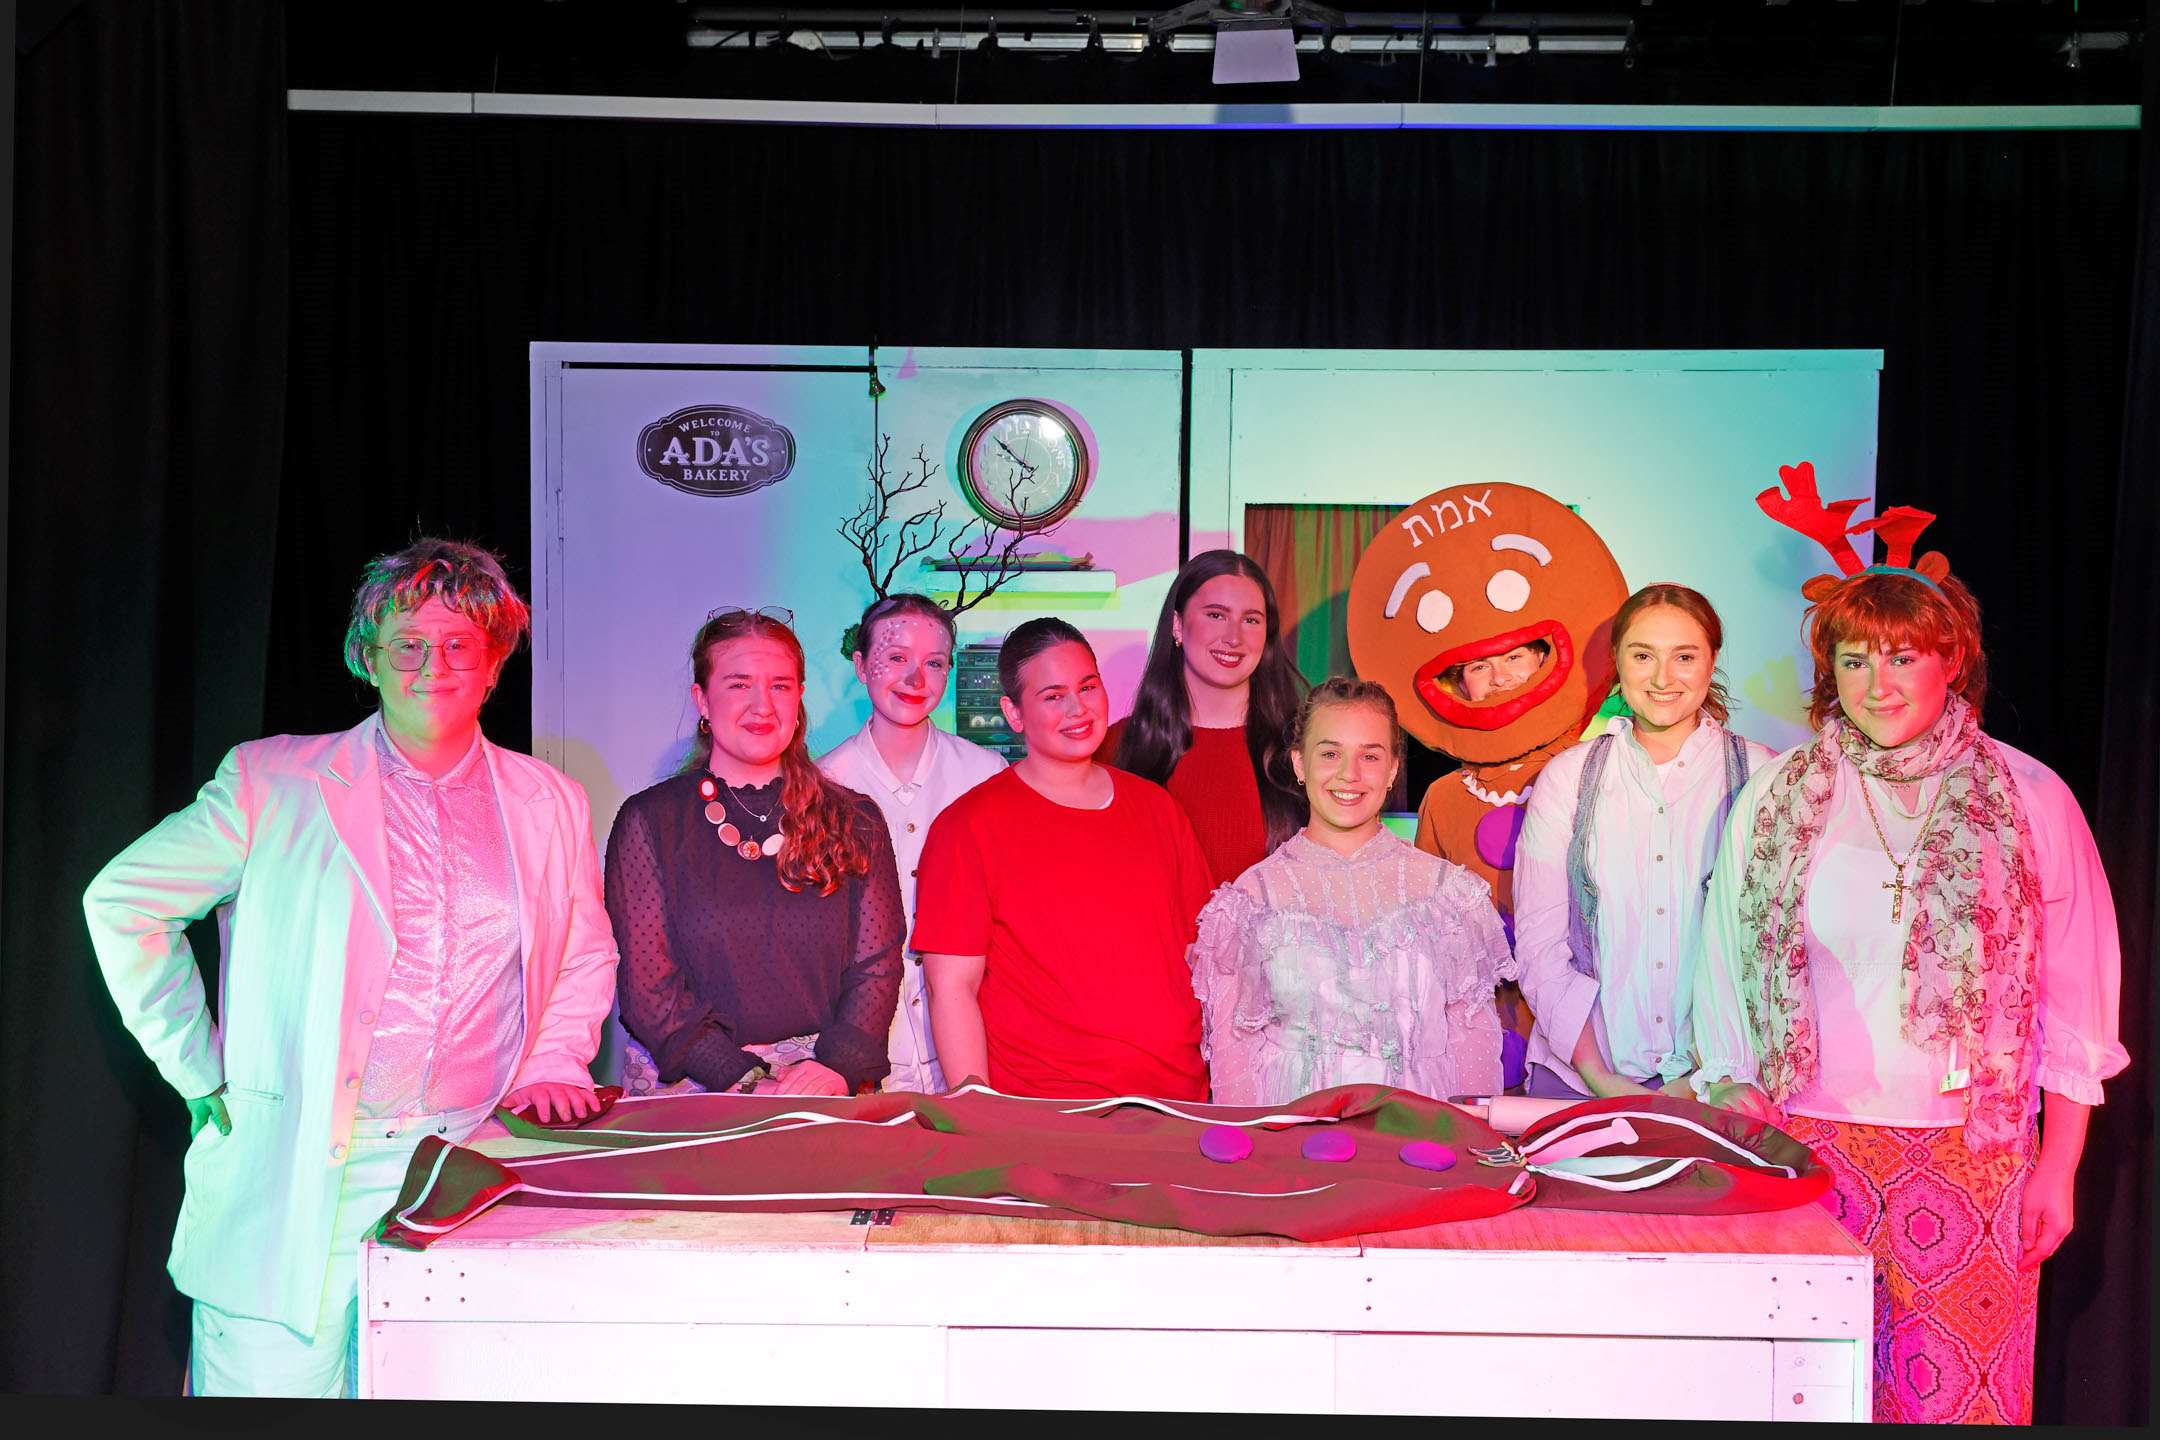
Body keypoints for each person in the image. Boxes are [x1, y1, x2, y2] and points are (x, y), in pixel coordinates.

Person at [83, 538, 618, 1398]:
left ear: (493, 663)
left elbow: (584, 950)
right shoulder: (274, 780)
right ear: (366, 658)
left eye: (458, 646)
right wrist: (196, 1067)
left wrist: (556, 1059)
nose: (431, 665)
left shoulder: (548, 799)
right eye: (407, 643)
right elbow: (123, 901)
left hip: (467, 1166)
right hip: (293, 1178)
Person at [1688, 473, 2127, 1424]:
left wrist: (2061, 1163)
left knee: (1958, 1403)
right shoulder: (1777, 797)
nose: (1876, 685)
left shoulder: (2029, 797)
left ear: (1952, 662)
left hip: (1974, 1156)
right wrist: (1736, 1096)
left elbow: (2078, 992)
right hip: (1811, 1146)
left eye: (1902, 658)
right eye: (1854, 661)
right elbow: (1724, 961)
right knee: (1810, 1396)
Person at [606, 607, 903, 1098]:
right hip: (697, 1092)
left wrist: (835, 1068)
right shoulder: (650, 822)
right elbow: (648, 988)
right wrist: (741, 1076)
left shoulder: (856, 820)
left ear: (800, 697)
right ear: (701, 699)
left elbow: (877, 965)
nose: (763, 706)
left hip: (826, 1090)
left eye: (780, 686)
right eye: (739, 685)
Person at [915, 617, 1214, 1100]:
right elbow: (951, 989)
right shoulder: (967, 828)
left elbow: (1197, 955)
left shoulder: (1159, 809)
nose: (1077, 709)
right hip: (1046, 1113)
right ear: (1014, 714)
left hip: (1176, 1101)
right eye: (1052, 696)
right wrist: (976, 1105)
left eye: (1087, 687)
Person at [1189, 677, 1515, 1106]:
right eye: (1329, 753)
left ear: (1393, 768)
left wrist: (1464, 1146)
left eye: (1370, 755)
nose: (1350, 774)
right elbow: (1234, 1058)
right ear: (1300, 764)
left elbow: (1473, 1047)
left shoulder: (1447, 895)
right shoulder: (1252, 900)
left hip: (1419, 1144)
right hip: (1293, 1147)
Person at [1512, 584, 1776, 1100]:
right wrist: (1602, 1080)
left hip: (1721, 1082)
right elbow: (1541, 946)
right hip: (1578, 1080)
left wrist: (1700, 1076)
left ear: (1711, 661)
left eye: (1684, 656)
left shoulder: (1762, 774)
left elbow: (1768, 950)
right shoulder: (1569, 778)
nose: (1662, 678)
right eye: (1642, 656)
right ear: (1617, 660)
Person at [818, 594, 1005, 1092]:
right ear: (860, 665)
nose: (915, 679)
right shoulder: (823, 786)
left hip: (978, 1048)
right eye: (896, 658)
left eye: (934, 663)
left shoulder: (985, 776)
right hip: (867, 1055)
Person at [1102, 550, 1308, 886]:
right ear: (1178, 624)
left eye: (1251, 620)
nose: (1233, 637)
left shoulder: (1301, 750)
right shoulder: (1116, 747)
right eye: (1216, 615)